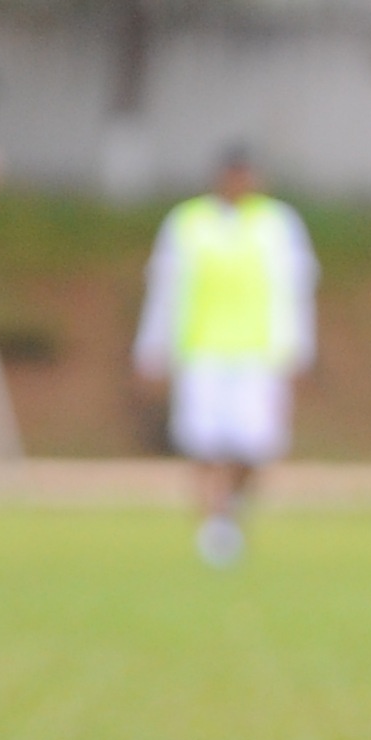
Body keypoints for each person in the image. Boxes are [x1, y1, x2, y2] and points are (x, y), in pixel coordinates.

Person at [131, 146, 319, 565]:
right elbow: (165, 290)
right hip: (203, 350)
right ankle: (214, 528)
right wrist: (152, 348)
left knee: (255, 445)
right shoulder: (188, 222)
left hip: (258, 354)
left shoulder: (278, 224)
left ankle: (231, 507)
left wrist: (300, 351)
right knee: (204, 442)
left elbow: (296, 292)